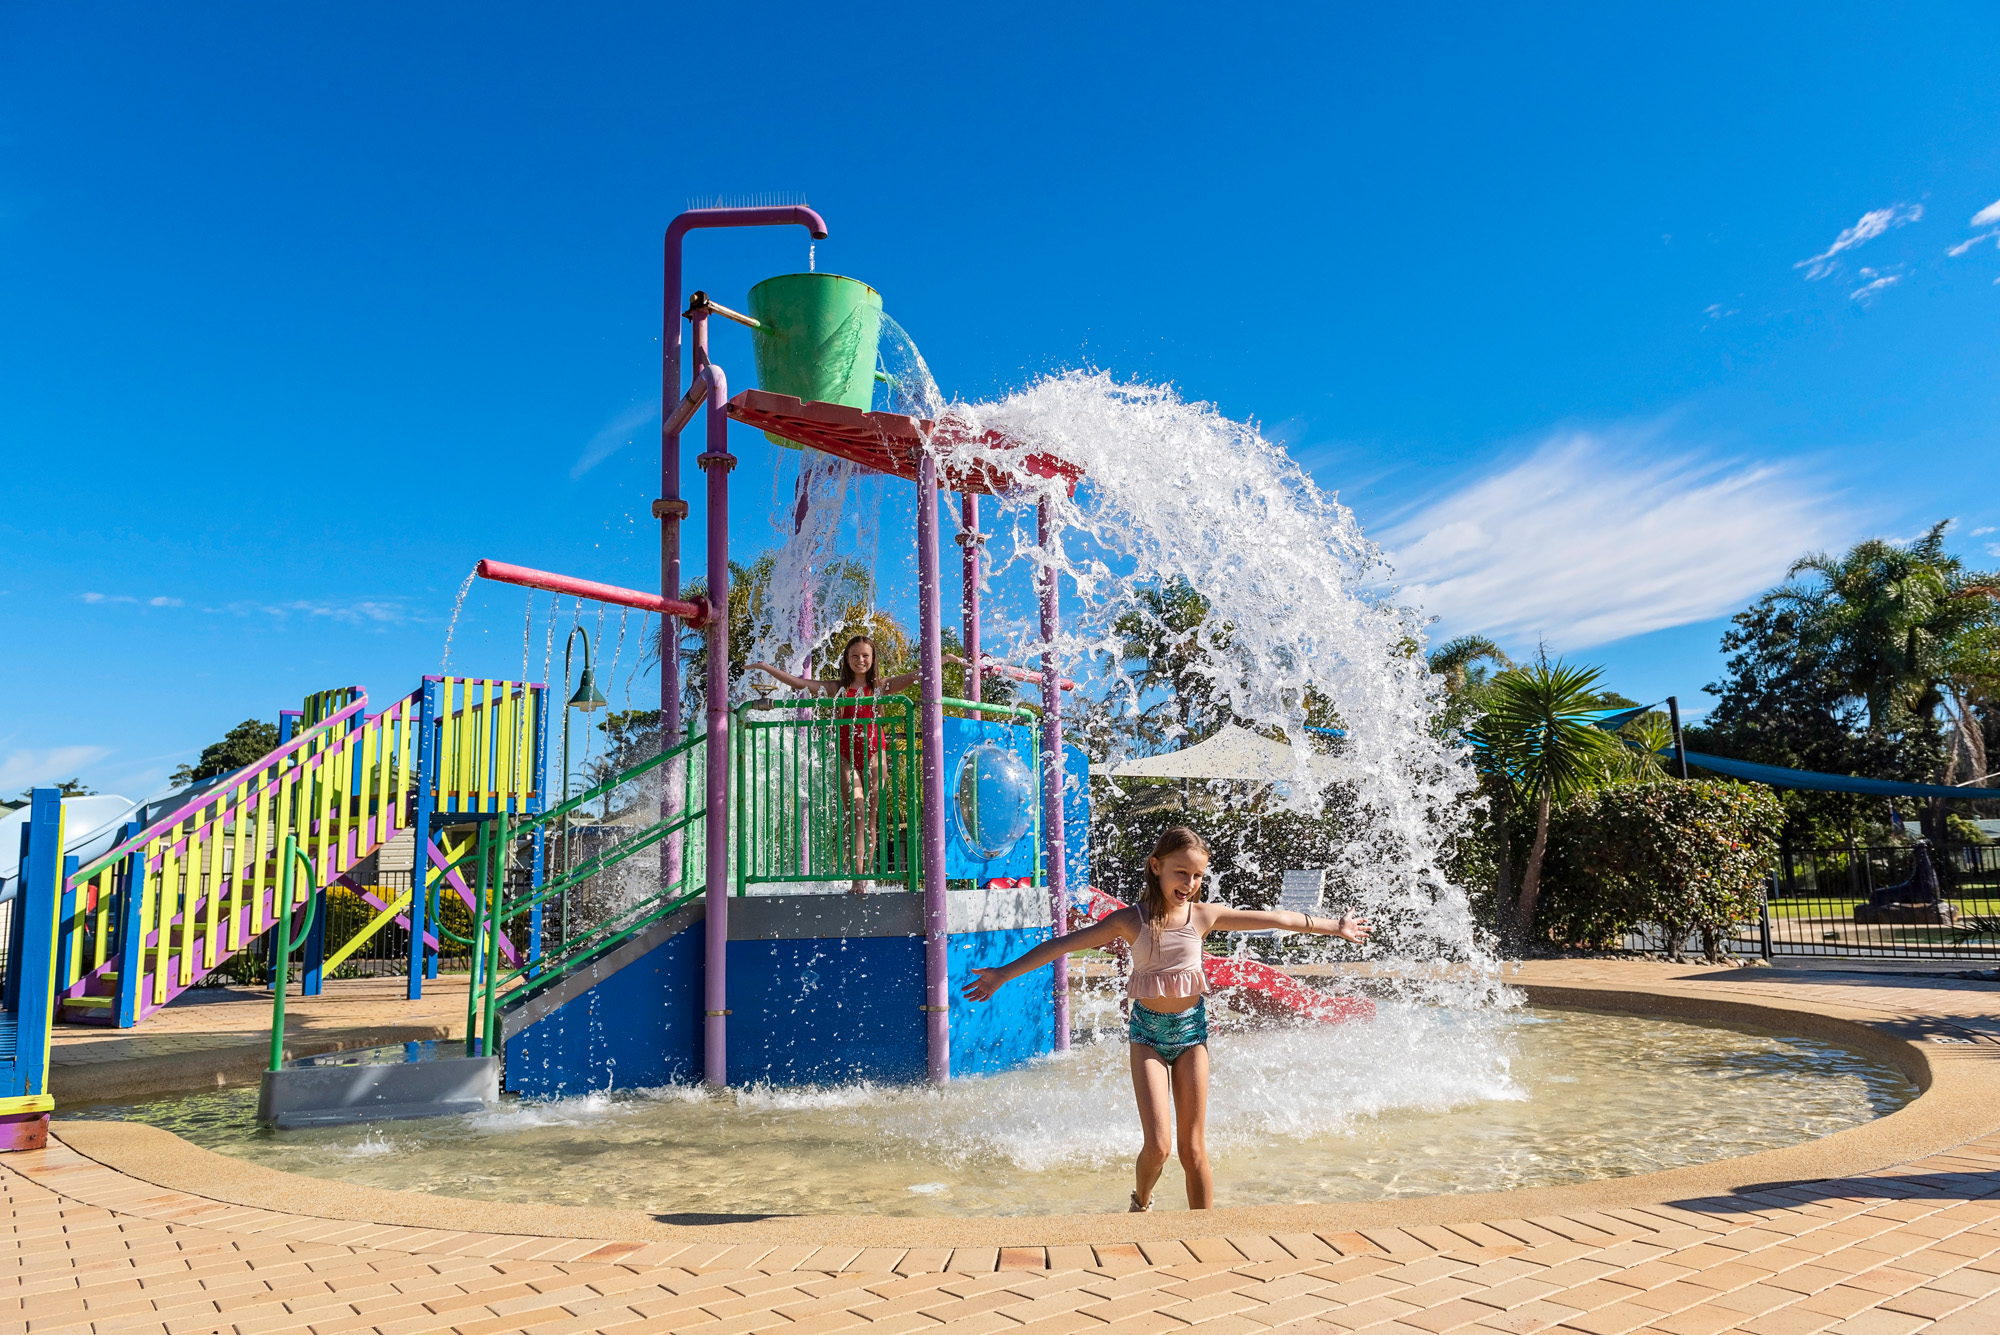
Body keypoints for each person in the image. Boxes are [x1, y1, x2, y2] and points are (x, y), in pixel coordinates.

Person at [962, 826, 1370, 1212]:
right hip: (1147, 1037)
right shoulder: (1129, 921)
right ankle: (1141, 1200)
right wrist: (1002, 974)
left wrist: (1335, 926)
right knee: (1158, 1146)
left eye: (1197, 876)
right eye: (1181, 872)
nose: (1190, 883)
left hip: (1192, 1035)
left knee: (1193, 1151)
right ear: (1155, 866)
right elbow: (1060, 945)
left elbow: (1277, 918)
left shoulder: (1204, 916)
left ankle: (1204, 1237)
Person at [746, 636, 918, 894]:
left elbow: (917, 675)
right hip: (846, 754)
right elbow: (801, 684)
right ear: (847, 660)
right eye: (855, 656)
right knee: (856, 815)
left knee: (870, 816)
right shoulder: (837, 689)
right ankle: (856, 879)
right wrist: (766, 667)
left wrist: (944, 660)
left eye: (865, 656)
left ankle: (865, 876)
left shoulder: (880, 687)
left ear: (872, 660)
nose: (860, 660)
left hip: (874, 752)